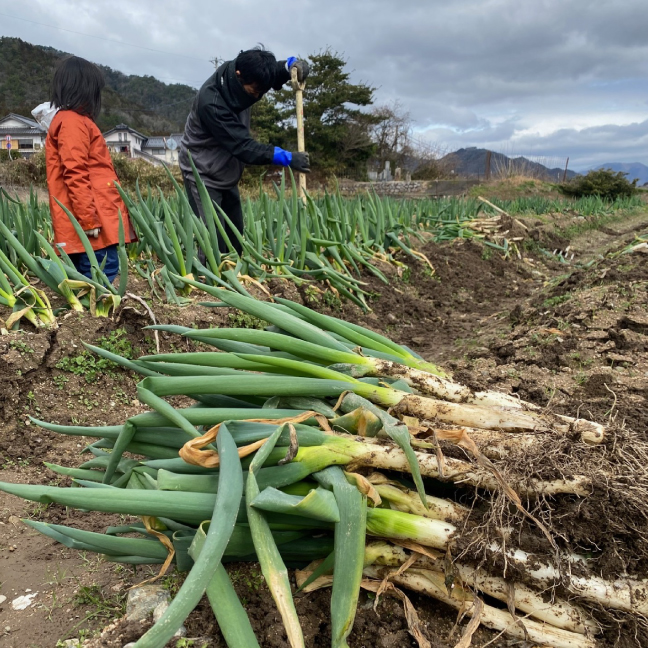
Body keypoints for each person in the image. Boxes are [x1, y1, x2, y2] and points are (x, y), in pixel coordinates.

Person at [179, 46, 310, 256]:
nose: (257, 96)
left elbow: (276, 71)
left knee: (234, 236)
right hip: (202, 172)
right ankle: (208, 283)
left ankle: (234, 274)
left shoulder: (249, 73)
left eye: (261, 91)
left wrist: (292, 65)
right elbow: (242, 146)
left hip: (226, 170)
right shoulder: (211, 102)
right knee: (213, 241)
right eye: (254, 92)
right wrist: (287, 157)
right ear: (239, 77)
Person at [45, 56, 136, 282]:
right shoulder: (72, 122)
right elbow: (75, 173)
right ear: (85, 90)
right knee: (102, 272)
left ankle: (95, 312)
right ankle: (99, 314)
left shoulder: (72, 120)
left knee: (92, 272)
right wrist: (87, 220)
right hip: (93, 222)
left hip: (94, 217)